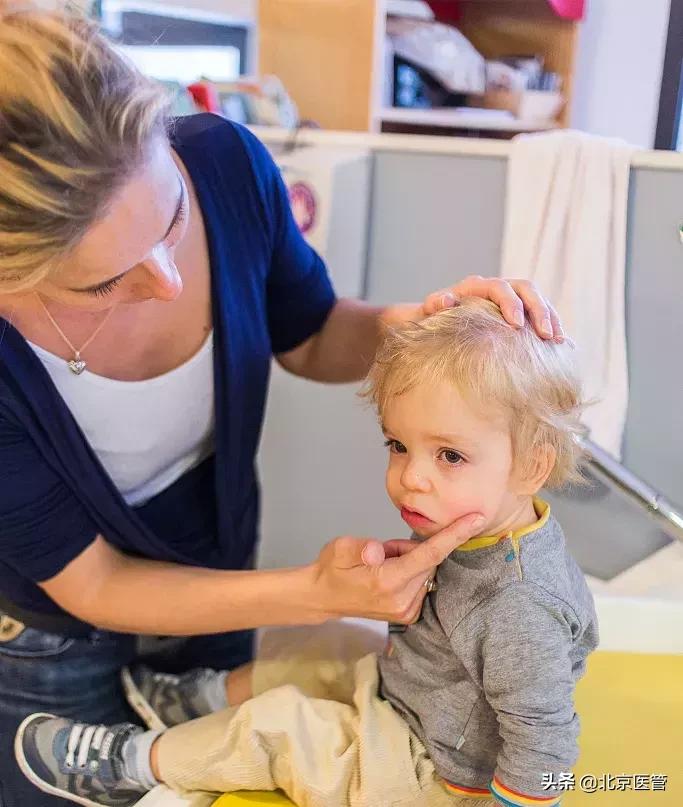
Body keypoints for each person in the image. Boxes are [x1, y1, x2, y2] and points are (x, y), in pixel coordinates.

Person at [0, 7, 565, 805]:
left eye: (172, 218)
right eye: (104, 282)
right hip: (54, 638)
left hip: (215, 567)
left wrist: (425, 328)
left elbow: (311, 333)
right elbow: (95, 584)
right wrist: (319, 591)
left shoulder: (225, 165)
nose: (167, 280)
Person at [17, 299, 599, 807]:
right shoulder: (485, 528)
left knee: (282, 726)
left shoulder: (520, 604)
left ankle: (132, 764)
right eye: (398, 445)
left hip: (434, 776)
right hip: (418, 704)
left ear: (532, 466)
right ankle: (195, 703)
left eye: (449, 456)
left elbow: (545, 737)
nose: (410, 478)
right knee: (328, 644)